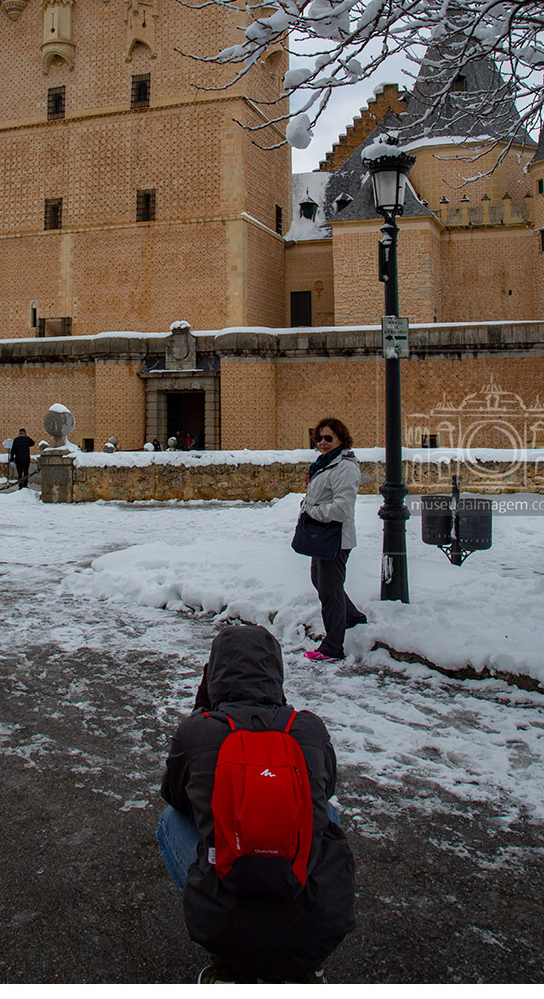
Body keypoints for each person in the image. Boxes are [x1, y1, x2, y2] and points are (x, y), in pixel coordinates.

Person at [156, 623, 355, 983]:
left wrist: (202, 713)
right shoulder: (308, 728)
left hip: (226, 922)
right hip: (315, 920)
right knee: (326, 812)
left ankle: (229, 961)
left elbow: (176, 797)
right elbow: (325, 791)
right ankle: (302, 956)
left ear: (214, 675)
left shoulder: (199, 731)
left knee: (171, 820)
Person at [301, 417, 365, 662]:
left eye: (329, 438)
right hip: (323, 536)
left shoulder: (345, 467)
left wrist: (311, 511)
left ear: (341, 439)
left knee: (330, 591)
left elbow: (341, 509)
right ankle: (353, 617)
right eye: (319, 438)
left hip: (336, 538)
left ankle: (332, 647)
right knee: (320, 580)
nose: (322, 442)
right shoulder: (325, 464)